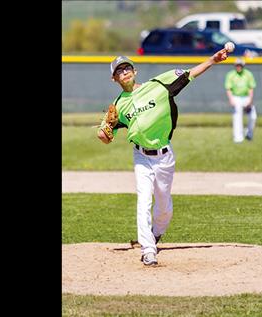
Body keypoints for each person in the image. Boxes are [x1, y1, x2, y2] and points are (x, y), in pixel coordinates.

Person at [97, 49, 230, 266]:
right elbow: (104, 134)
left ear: (135, 70)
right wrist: (102, 133)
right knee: (143, 200)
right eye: (119, 71)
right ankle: (148, 249)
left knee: (164, 206)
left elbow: (190, 74)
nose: (125, 72)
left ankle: (156, 233)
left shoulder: (158, 85)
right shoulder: (118, 105)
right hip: (141, 156)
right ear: (114, 79)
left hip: (164, 157)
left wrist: (213, 60)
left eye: (127, 67)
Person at [224, 58, 257, 142]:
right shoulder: (230, 74)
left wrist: (250, 100)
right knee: (237, 116)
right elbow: (228, 88)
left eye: (240, 65)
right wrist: (231, 99)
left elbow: (251, 88)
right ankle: (238, 137)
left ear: (243, 66)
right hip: (236, 97)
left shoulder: (248, 74)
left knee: (253, 117)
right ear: (235, 66)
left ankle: (249, 134)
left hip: (246, 97)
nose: (239, 67)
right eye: (237, 65)